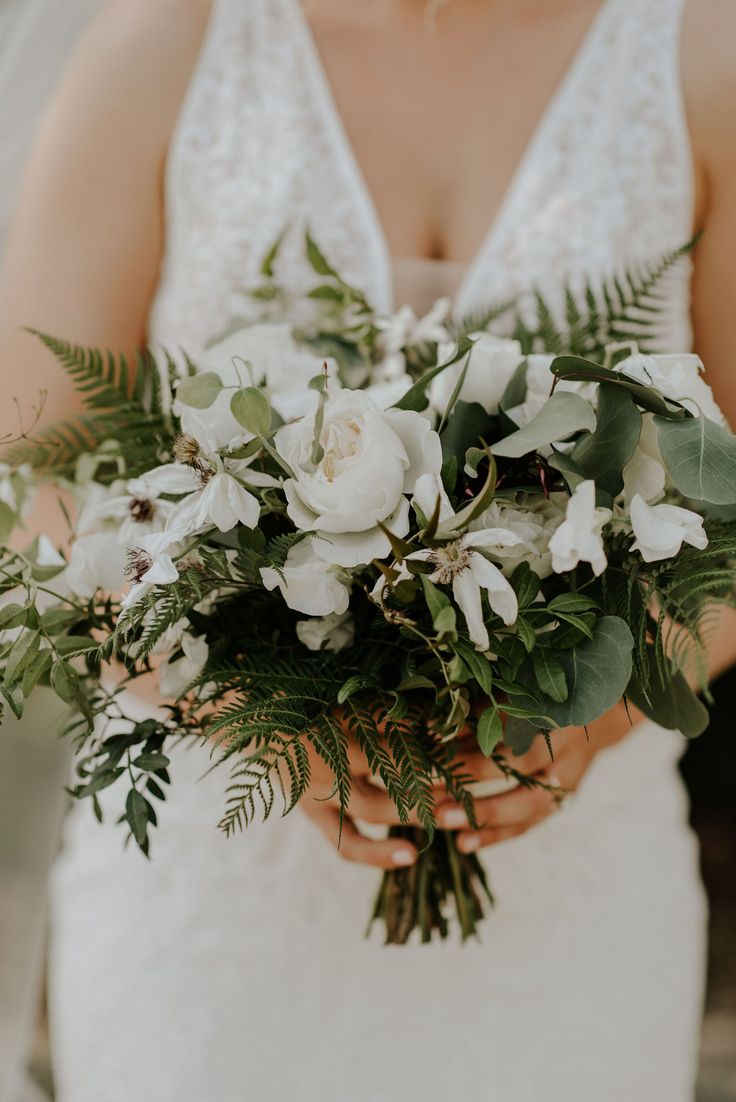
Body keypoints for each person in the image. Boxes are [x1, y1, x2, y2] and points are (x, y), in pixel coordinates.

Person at [1, 0, 735, 1098]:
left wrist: (612, 703)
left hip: (570, 921)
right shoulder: (163, 45)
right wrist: (242, 702)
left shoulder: (700, 57)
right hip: (217, 933)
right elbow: (33, 479)